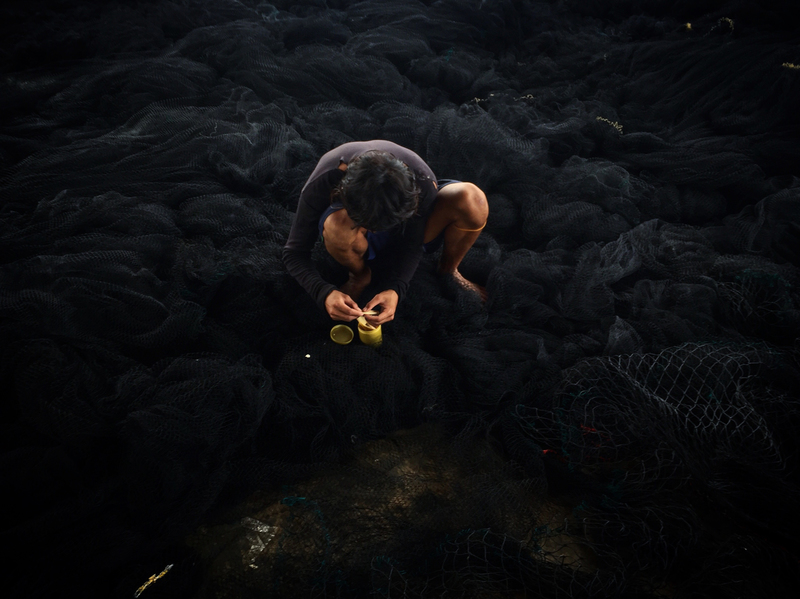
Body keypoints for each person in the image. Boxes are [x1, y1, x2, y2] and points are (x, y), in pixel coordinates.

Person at [283, 140, 488, 327]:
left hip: (406, 232)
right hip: (353, 239)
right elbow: (294, 252)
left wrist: (396, 289)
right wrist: (323, 292)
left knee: (473, 200)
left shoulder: (423, 183)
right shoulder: (326, 178)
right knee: (337, 225)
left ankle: (448, 269)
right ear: (342, 195)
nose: (374, 231)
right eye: (366, 225)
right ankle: (359, 275)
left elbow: (412, 244)